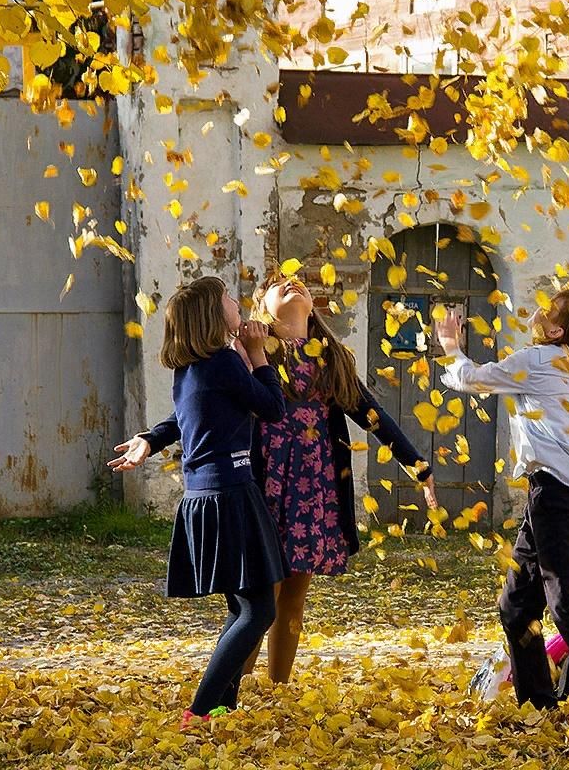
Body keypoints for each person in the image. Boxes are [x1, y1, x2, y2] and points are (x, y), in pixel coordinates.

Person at [434, 288, 569, 736]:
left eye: (546, 312)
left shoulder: (536, 359)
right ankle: (538, 706)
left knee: (565, 606)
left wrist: (451, 347)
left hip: (553, 492)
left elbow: (473, 379)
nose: (536, 313)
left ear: (556, 330)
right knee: (516, 605)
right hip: (557, 494)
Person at [108, 276, 287, 727]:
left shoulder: (193, 368)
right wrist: (260, 356)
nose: (236, 302)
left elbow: (180, 418)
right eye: (228, 297)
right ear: (213, 314)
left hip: (212, 496)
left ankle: (223, 705)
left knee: (241, 607)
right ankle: (201, 710)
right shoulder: (224, 363)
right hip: (228, 496)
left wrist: (150, 439)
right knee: (260, 609)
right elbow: (273, 408)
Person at [243, 272, 437, 683]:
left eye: (298, 283)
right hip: (265, 481)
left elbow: (371, 415)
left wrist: (417, 464)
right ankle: (232, 688)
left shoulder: (330, 358)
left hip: (314, 484)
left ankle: (278, 687)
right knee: (262, 595)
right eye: (280, 285)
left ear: (312, 305)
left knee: (294, 594)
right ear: (262, 307)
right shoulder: (250, 350)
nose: (292, 285)